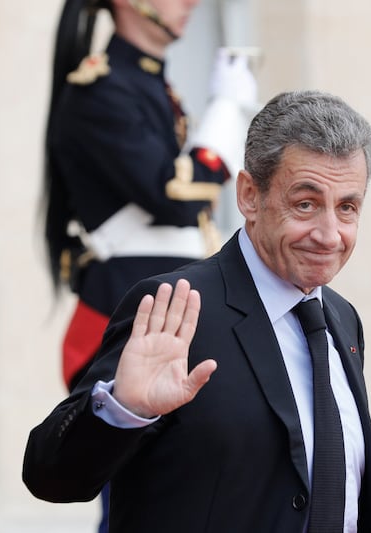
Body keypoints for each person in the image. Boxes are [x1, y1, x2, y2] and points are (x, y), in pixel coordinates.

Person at [24, 90, 371, 533]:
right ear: (249, 196)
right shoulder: (174, 306)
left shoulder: (341, 318)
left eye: (347, 208)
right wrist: (124, 410)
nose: (329, 235)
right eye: (306, 204)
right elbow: (52, 475)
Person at [42, 1, 257, 530]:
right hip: (129, 318)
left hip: (171, 313)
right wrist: (226, 112)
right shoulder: (100, 89)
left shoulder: (148, 86)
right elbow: (175, 196)